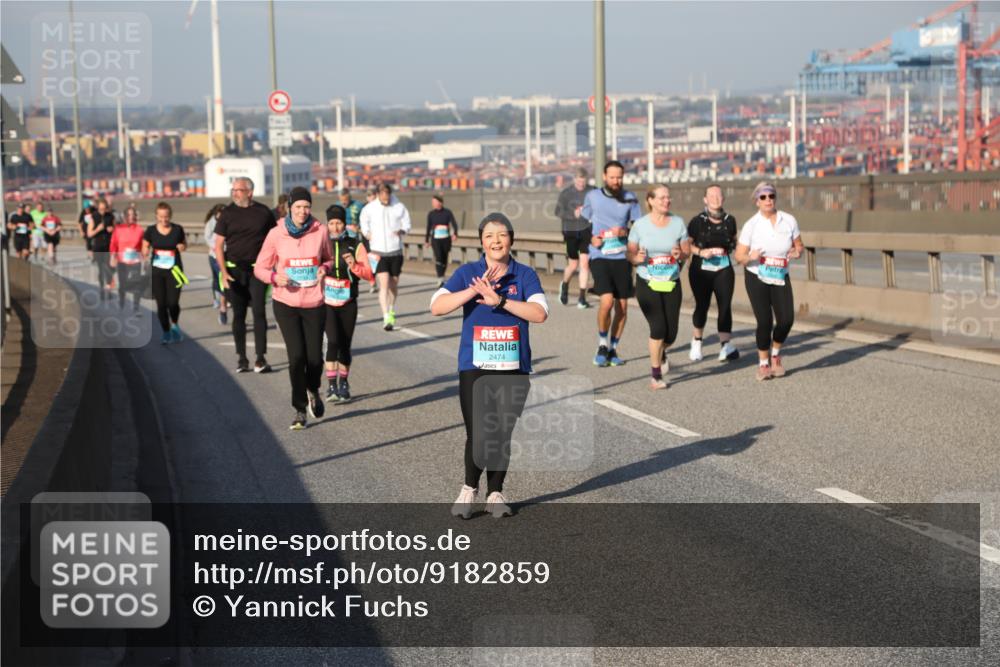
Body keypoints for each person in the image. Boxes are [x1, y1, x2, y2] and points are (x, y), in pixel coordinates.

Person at [430, 213, 548, 519]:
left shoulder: (524, 275)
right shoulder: (468, 271)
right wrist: (474, 291)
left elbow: (539, 313)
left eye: (502, 235)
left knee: (501, 432)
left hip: (513, 367)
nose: (496, 241)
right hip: (475, 365)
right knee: (480, 432)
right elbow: (437, 306)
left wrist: (500, 301)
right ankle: (469, 489)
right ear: (481, 241)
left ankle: (496, 493)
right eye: (489, 236)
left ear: (511, 239)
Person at [254, 187, 331, 430]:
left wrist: (324, 269)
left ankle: (313, 389)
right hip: (286, 303)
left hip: (314, 302)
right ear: (290, 208)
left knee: (315, 358)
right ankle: (299, 409)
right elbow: (260, 268)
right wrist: (276, 278)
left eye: (306, 207)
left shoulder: (321, 231)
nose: (302, 211)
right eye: (297, 207)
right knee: (296, 356)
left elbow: (328, 258)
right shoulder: (276, 234)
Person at [734, 182, 804, 381]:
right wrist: (751, 256)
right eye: (763, 197)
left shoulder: (789, 220)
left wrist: (797, 252)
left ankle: (776, 354)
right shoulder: (751, 225)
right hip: (757, 276)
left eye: (771, 196)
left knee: (786, 320)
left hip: (780, 276)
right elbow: (739, 257)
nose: (768, 200)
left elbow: (799, 245)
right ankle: (764, 364)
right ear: (757, 201)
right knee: (764, 322)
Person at [627, 185, 690, 389]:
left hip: (671, 282)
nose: (666, 201)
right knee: (658, 328)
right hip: (647, 282)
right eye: (662, 198)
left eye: (668, 197)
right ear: (651, 200)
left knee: (671, 333)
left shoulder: (678, 223)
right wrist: (636, 258)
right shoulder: (640, 225)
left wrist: (681, 254)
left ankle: (662, 352)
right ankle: (655, 375)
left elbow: (687, 250)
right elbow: (630, 253)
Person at [214, 177, 277, 374]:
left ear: (249, 192)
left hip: (258, 270)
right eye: (233, 190)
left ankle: (260, 358)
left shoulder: (263, 212)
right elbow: (218, 246)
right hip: (234, 271)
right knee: (239, 314)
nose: (234, 193)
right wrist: (223, 272)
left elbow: (274, 240)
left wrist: (274, 266)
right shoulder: (227, 213)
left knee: (259, 312)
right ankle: (242, 358)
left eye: (238, 190)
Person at [583, 160, 642, 367]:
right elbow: (582, 225)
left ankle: (614, 348)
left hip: (622, 257)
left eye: (619, 177)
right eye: (612, 177)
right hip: (600, 255)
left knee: (623, 307)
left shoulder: (630, 199)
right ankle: (602, 344)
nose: (616, 181)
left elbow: (638, 228)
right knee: (606, 302)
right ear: (604, 177)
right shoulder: (593, 196)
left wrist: (624, 232)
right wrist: (591, 239)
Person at [322, 204, 374, 403]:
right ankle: (331, 386)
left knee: (344, 344)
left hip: (348, 301)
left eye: (339, 223)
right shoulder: (322, 243)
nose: (335, 227)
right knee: (332, 341)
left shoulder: (356, 244)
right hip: (327, 301)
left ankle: (344, 383)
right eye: (332, 223)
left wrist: (353, 265)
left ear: (345, 224)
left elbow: (369, 275)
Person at [687, 184, 739, 363]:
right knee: (702, 305)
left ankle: (725, 346)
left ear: (723, 198)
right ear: (705, 199)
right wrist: (701, 252)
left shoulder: (730, 220)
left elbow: (734, 242)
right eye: (711, 195)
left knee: (725, 306)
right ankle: (697, 341)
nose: (716, 198)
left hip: (723, 268)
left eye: (719, 195)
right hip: (701, 269)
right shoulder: (697, 221)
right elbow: (687, 245)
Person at [360, 183, 411, 330]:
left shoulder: (399, 206)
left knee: (393, 285)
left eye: (387, 194)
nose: (385, 197)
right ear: (378, 194)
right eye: (382, 194)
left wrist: (402, 231)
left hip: (395, 251)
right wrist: (366, 232)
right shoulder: (370, 208)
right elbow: (363, 221)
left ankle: (391, 308)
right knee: (384, 284)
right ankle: (386, 316)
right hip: (377, 252)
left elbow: (407, 223)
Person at [143, 202, 188, 344]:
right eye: (161, 216)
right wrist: (144, 251)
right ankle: (166, 332)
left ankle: (174, 323)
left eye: (166, 217)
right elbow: (145, 245)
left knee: (173, 303)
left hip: (174, 270)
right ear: (156, 216)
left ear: (170, 216)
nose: (164, 219)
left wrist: (182, 246)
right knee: (161, 304)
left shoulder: (177, 229)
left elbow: (184, 244)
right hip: (157, 271)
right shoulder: (150, 230)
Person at [555, 167, 595, 308]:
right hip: (570, 232)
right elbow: (558, 211)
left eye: (583, 181)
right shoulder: (566, 194)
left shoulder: (593, 191)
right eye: (578, 181)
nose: (581, 184)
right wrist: (573, 214)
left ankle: (582, 298)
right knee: (573, 264)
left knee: (584, 263)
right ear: (574, 180)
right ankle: (565, 285)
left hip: (587, 231)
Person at [109, 207, 146, 310]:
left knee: (136, 283)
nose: (131, 217)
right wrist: (113, 256)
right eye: (129, 215)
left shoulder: (139, 230)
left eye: (133, 214)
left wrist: (145, 258)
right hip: (122, 261)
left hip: (135, 261)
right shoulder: (118, 229)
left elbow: (143, 246)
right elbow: (113, 244)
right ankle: (122, 303)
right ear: (124, 216)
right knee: (122, 284)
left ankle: (136, 306)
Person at [424, 194, 459, 287]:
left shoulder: (447, 212)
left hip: (446, 239)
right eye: (432, 202)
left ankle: (442, 276)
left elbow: (454, 223)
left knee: (444, 258)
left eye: (435, 202)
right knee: (438, 257)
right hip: (435, 240)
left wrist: (455, 233)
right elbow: (428, 227)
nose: (433, 204)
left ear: (440, 202)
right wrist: (426, 240)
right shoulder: (431, 214)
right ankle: (440, 278)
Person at [204, 203, 229, 325]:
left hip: (227, 255)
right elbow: (207, 237)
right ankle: (217, 299)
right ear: (216, 213)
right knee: (217, 279)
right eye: (221, 213)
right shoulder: (211, 222)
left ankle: (224, 305)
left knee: (224, 279)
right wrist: (215, 247)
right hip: (214, 256)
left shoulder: (230, 221)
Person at [87, 199, 116, 299]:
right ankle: (101, 288)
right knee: (101, 269)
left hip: (108, 246)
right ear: (98, 208)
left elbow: (116, 230)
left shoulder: (110, 216)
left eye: (105, 209)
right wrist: (97, 229)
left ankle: (108, 289)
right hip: (98, 246)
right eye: (101, 209)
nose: (103, 211)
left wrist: (112, 230)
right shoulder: (93, 217)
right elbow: (89, 234)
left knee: (109, 268)